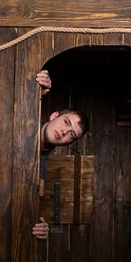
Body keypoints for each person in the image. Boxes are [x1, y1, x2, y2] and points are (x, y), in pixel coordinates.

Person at [31, 70, 90, 240]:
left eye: (72, 134)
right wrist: (35, 87)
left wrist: (38, 226)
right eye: (66, 122)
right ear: (54, 116)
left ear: (69, 143)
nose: (64, 132)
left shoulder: (42, 168)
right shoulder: (23, 118)